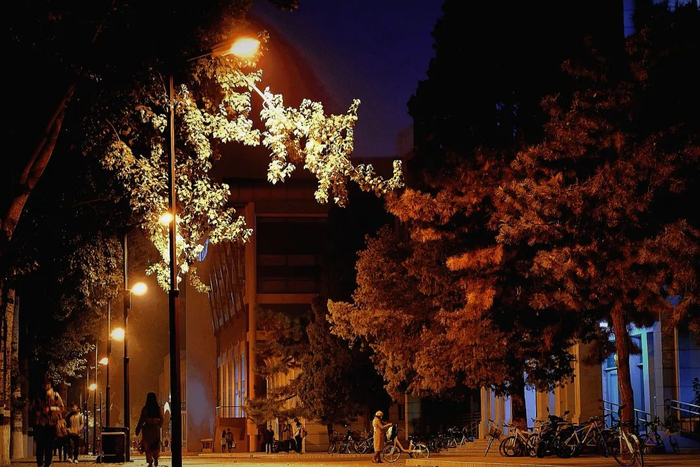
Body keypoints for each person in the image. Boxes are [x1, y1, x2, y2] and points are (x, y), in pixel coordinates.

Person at [33, 377, 64, 467]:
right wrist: (37, 412)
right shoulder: (38, 396)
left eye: (47, 384)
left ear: (50, 384)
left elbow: (61, 407)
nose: (46, 386)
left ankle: (47, 463)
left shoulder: (55, 395)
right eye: (44, 384)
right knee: (39, 446)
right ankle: (39, 463)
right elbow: (33, 407)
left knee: (49, 445)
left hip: (51, 423)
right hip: (40, 423)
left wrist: (51, 409)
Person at [135, 392, 164, 467]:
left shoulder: (145, 409)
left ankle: (150, 461)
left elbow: (141, 419)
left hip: (147, 430)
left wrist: (138, 429)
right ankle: (156, 458)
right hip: (155, 429)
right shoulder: (158, 409)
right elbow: (162, 419)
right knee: (155, 445)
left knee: (148, 447)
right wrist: (159, 425)